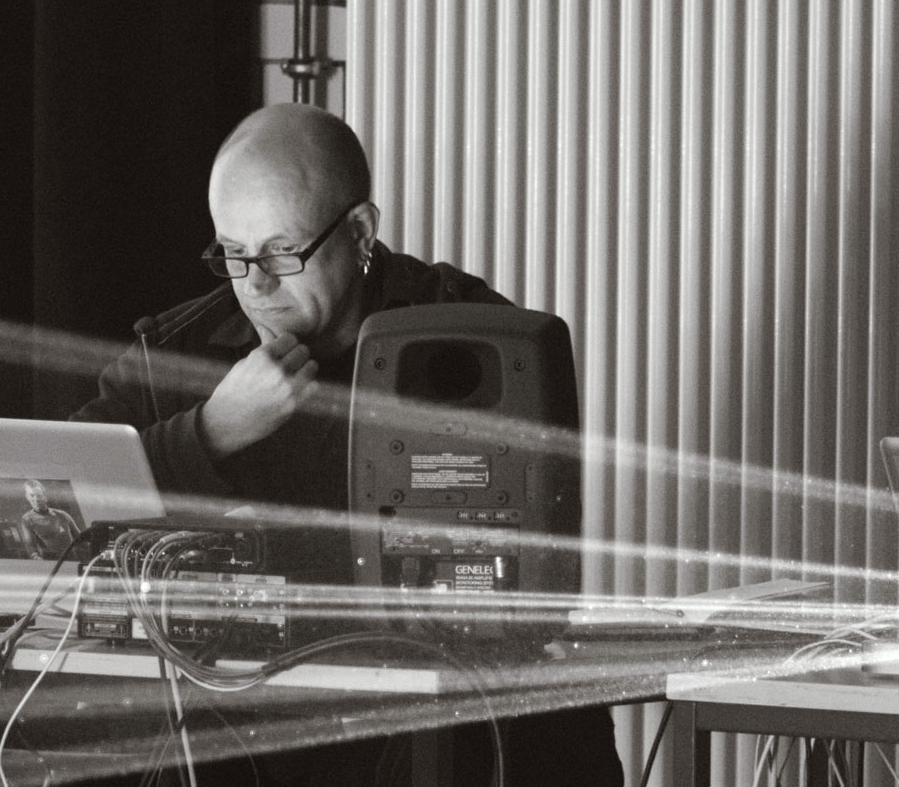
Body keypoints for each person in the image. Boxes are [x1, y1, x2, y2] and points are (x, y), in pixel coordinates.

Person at [72, 103, 621, 786]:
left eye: (281, 252)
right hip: (241, 734)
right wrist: (209, 431)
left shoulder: (473, 340)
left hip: (443, 719)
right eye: (233, 254)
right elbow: (64, 500)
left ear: (360, 231)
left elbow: (530, 556)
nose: (255, 284)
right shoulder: (174, 352)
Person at [19, 479, 79, 557]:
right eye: (32, 495)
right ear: (27, 497)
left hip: (72, 559)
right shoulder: (27, 519)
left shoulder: (62, 514)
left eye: (39, 495)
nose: (36, 499)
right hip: (51, 561)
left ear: (45, 497)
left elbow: (81, 537)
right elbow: (31, 545)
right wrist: (35, 556)